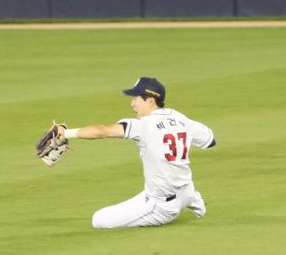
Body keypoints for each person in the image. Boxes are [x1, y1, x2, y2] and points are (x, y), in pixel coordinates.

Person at [58, 77, 216, 228]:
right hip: (186, 189)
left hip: (162, 206)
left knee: (99, 219)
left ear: (150, 101)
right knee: (153, 191)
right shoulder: (180, 118)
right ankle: (191, 198)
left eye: (135, 98)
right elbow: (210, 140)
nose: (132, 104)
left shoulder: (143, 125)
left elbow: (102, 131)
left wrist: (65, 133)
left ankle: (182, 202)